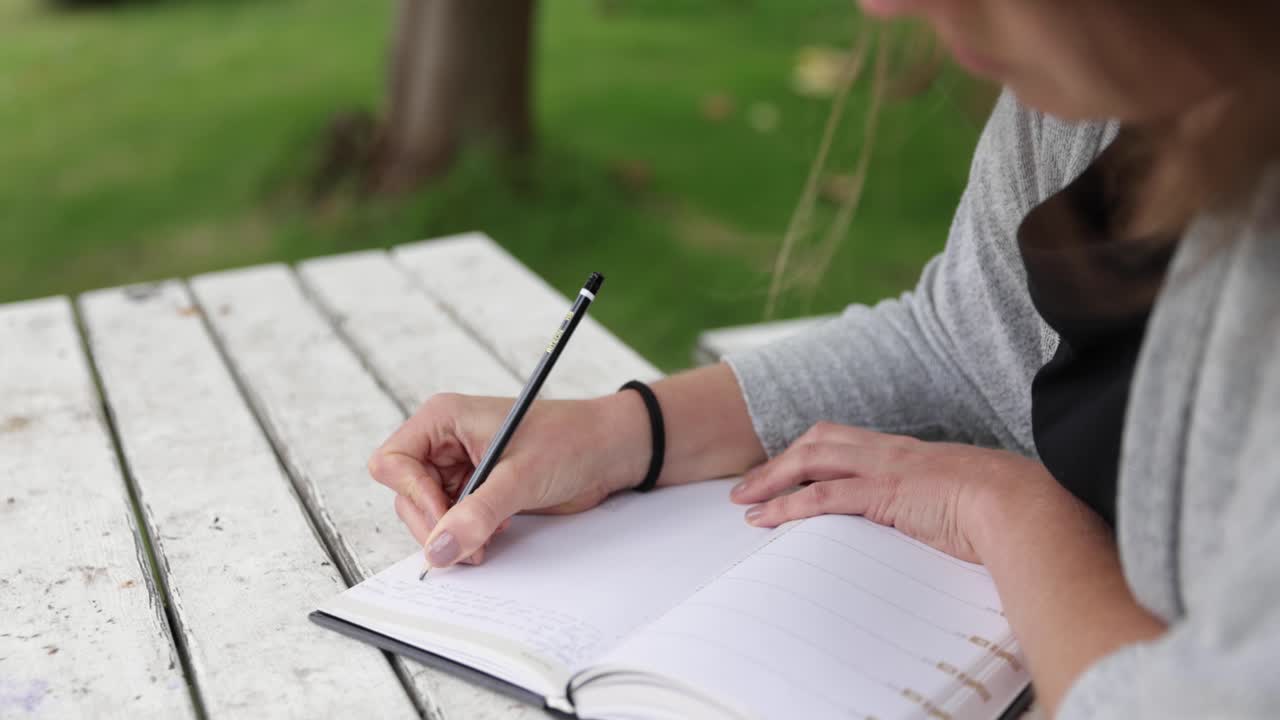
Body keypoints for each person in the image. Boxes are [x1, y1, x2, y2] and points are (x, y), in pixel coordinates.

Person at [367, 2, 1280, 717]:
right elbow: (962, 344)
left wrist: (1009, 510)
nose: (884, 7)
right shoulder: (1096, 98)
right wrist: (619, 431)